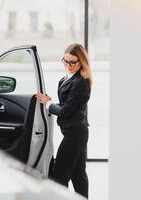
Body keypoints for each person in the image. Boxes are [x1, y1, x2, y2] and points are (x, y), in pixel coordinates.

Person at [35, 43, 92, 198]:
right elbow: (68, 106)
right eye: (65, 61)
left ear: (81, 62)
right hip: (75, 132)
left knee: (59, 175)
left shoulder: (80, 82)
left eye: (72, 62)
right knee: (78, 176)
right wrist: (52, 103)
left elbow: (66, 111)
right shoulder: (67, 79)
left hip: (75, 134)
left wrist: (48, 104)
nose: (68, 65)